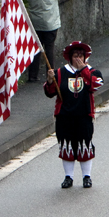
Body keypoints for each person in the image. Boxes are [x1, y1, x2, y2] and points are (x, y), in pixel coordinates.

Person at [44, 41, 103, 189]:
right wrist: (50, 80)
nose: (78, 58)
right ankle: (68, 177)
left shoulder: (92, 72)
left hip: (84, 116)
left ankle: (86, 177)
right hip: (65, 117)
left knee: (85, 146)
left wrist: (83, 70)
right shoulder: (60, 72)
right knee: (66, 146)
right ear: (69, 57)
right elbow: (50, 92)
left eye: (81, 55)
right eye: (75, 55)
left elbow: (95, 85)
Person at [23, 0, 70, 82]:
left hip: (35, 23)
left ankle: (32, 76)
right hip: (49, 24)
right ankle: (51, 74)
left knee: (36, 49)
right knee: (49, 48)